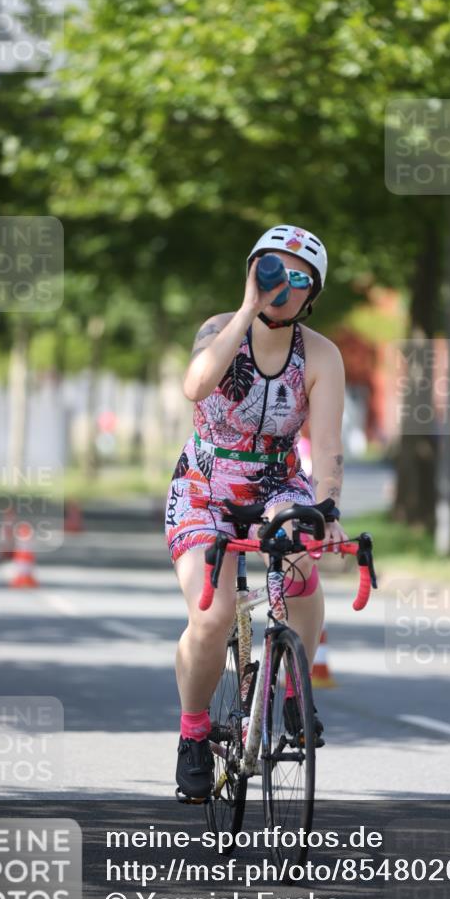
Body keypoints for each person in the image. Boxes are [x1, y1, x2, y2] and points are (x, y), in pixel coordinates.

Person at [164, 224, 348, 799]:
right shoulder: (219, 330)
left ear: (312, 294)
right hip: (205, 484)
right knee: (214, 617)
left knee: (303, 574)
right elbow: (196, 385)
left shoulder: (321, 354)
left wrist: (326, 506)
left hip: (277, 483)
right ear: (251, 273)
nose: (282, 287)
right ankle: (194, 731)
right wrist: (247, 309)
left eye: (298, 280)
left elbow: (327, 448)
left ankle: (293, 692)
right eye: (271, 272)